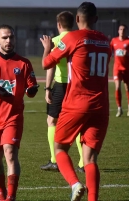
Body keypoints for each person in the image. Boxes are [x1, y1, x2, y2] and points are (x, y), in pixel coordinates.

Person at [40, 2, 111, 201]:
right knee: (90, 159)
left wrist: (47, 48)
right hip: (101, 106)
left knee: (60, 148)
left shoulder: (72, 37)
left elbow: (47, 63)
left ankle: (75, 184)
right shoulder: (106, 41)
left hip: (77, 102)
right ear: (96, 19)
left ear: (77, 19)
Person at [0, 24, 39, 201]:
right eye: (5, 38)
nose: (9, 40)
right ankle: (1, 191)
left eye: (11, 37)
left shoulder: (24, 63)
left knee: (10, 154)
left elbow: (31, 86)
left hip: (13, 117)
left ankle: (11, 197)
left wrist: (32, 90)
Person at [40, 11, 84, 173]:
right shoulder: (78, 40)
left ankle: (55, 160)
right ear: (73, 23)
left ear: (58, 25)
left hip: (60, 86)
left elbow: (49, 65)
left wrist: (47, 88)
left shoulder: (55, 42)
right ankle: (83, 162)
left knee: (52, 121)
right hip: (77, 86)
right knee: (79, 125)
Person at [110, 24, 129, 117]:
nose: (122, 31)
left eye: (124, 29)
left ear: (126, 31)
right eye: (120, 29)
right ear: (118, 31)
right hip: (117, 68)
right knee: (117, 87)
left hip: (127, 68)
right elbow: (109, 50)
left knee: (128, 88)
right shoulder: (113, 41)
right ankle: (119, 109)